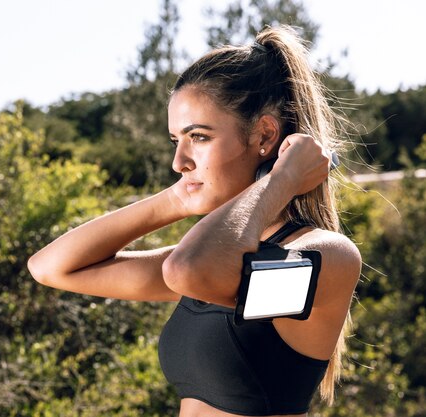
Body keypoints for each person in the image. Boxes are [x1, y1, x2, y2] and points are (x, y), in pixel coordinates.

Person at [27, 25, 361, 417]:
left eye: (198, 137)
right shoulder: (219, 265)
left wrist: (282, 179)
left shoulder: (328, 259)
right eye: (176, 141)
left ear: (265, 135)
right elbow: (50, 267)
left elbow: (189, 270)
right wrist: (177, 197)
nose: (178, 162)